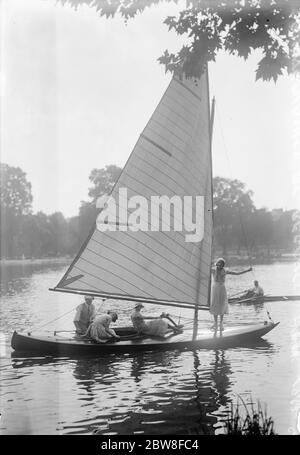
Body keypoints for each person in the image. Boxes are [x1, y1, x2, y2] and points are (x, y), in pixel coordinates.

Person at [210, 258, 252, 331]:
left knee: (222, 305)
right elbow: (204, 270)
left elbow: (237, 273)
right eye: (219, 263)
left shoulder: (225, 271)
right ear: (217, 264)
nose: (219, 265)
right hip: (215, 288)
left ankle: (221, 324)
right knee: (215, 305)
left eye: (221, 264)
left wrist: (247, 270)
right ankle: (215, 324)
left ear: (223, 265)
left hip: (222, 288)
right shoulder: (213, 270)